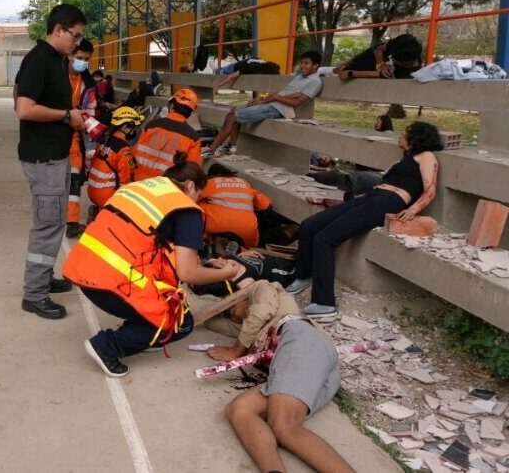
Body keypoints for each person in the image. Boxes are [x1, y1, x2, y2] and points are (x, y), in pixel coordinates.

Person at [63, 155, 244, 377]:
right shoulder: (185, 208)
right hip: (110, 283)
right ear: (190, 186)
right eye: (199, 195)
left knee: (159, 303)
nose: (197, 201)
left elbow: (150, 242)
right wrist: (225, 273)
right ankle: (107, 346)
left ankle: (145, 332)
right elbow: (187, 273)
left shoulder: (138, 189)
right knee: (180, 321)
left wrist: (204, 264)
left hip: (84, 268)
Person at [285, 122, 443, 320]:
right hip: (372, 197)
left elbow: (430, 189)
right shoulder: (406, 159)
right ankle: (304, 276)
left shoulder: (427, 156)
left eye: (406, 132)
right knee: (309, 226)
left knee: (325, 239)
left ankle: (325, 304)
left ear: (416, 138)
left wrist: (413, 209)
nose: (400, 135)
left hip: (389, 202)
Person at [217, 282, 353, 473]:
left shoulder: (262, 288)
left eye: (232, 307)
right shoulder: (249, 329)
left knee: (284, 425)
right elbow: (211, 323)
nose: (234, 315)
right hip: (300, 361)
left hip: (303, 342)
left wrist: (234, 350)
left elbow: (260, 312)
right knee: (239, 409)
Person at [14, 3, 88, 320]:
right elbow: (23, 107)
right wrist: (65, 115)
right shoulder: (39, 60)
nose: (78, 43)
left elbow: (18, 90)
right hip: (43, 158)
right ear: (58, 30)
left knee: (55, 221)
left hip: (53, 153)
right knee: (47, 225)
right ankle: (34, 294)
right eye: (76, 35)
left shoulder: (56, 60)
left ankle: (43, 278)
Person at [209, 51, 323, 154]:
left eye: (306, 63)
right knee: (234, 110)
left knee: (233, 116)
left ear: (315, 65)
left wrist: (274, 98)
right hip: (270, 103)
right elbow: (283, 92)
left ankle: (212, 149)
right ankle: (231, 146)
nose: (303, 66)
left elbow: (297, 103)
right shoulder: (300, 77)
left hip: (278, 109)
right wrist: (262, 98)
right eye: (302, 63)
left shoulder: (315, 82)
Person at [131, 88, 202, 180]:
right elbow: (193, 172)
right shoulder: (193, 137)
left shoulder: (152, 125)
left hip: (139, 182)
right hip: (166, 187)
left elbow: (134, 154)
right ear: (190, 112)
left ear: (171, 105)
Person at [65, 39, 98, 239]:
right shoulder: (57, 76)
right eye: (79, 58)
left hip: (75, 138)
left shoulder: (88, 84)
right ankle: (58, 217)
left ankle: (71, 222)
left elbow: (91, 112)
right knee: (58, 180)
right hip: (56, 136)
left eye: (86, 59)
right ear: (70, 55)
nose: (83, 62)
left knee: (75, 181)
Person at [199, 163, 272, 249]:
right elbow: (267, 205)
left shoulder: (210, 182)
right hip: (248, 233)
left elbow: (192, 197)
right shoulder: (244, 183)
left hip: (218, 230)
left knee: (199, 204)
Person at [86, 106, 142, 211]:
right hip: (106, 196)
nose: (134, 131)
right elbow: (126, 179)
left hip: (92, 191)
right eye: (133, 128)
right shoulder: (123, 149)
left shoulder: (104, 141)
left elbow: (93, 163)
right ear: (125, 126)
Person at [335, 34, 422, 80]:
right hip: (376, 57)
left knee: (342, 70)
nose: (395, 61)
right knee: (351, 62)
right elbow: (378, 50)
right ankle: (330, 69)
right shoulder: (399, 43)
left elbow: (345, 75)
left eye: (398, 61)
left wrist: (351, 73)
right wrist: (381, 64)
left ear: (408, 61)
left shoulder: (411, 73)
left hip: (373, 71)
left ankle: (330, 70)